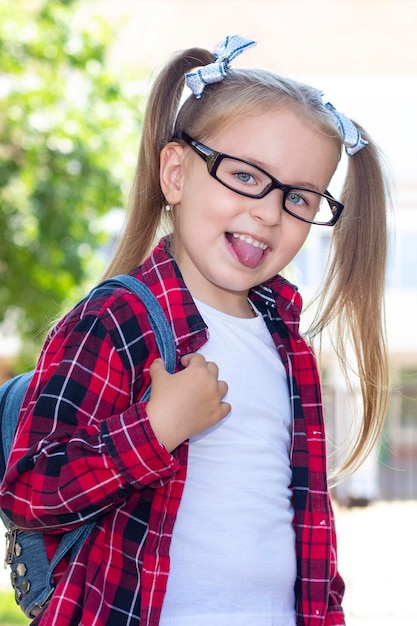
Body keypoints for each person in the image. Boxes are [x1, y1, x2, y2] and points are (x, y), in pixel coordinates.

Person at [0, 35, 389, 626]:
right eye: (247, 177)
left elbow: (308, 535)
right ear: (176, 174)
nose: (269, 212)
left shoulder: (289, 347)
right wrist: (155, 429)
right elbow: (29, 489)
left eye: (301, 198)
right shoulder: (117, 320)